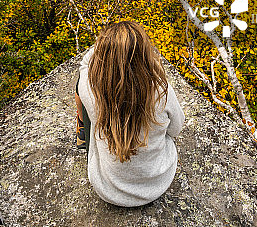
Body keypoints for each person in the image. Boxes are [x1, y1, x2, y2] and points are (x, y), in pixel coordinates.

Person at [75, 20, 185, 207]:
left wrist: (108, 47)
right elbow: (176, 130)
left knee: (79, 89)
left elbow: (84, 65)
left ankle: (81, 132)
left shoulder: (91, 90)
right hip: (157, 185)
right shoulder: (161, 91)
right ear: (144, 55)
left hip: (108, 189)